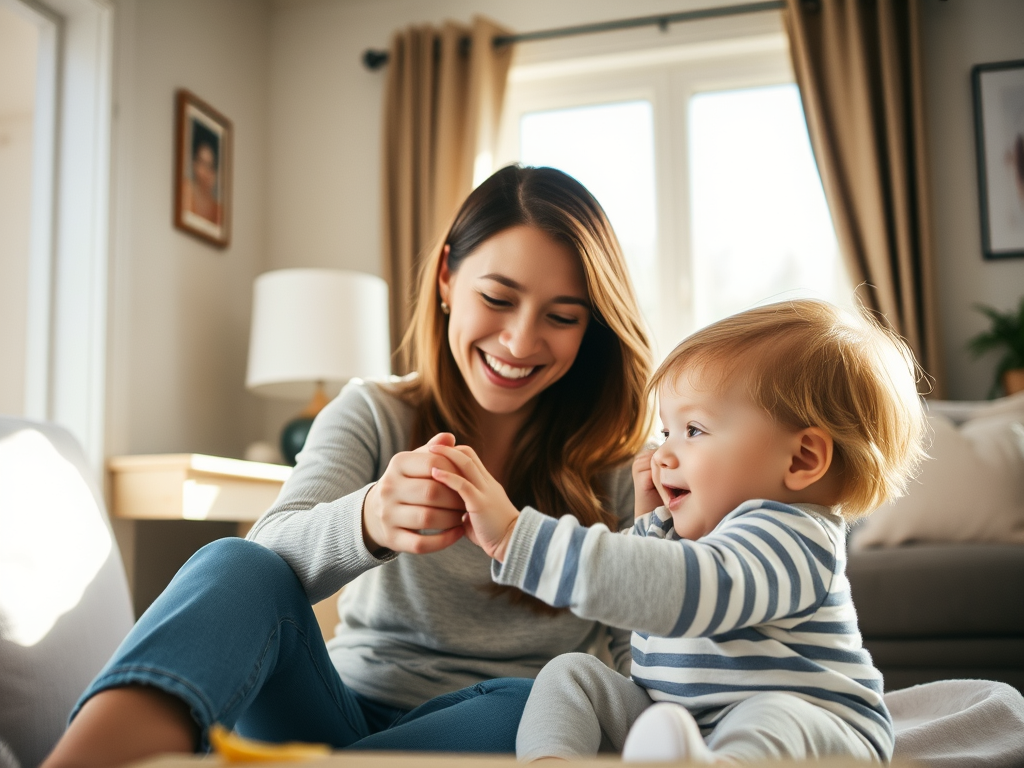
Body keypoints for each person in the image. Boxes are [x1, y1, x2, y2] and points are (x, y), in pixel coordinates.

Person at [41, 165, 653, 768]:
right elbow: (271, 559)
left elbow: (643, 666)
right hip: (332, 711)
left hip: (498, 722)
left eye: (562, 316)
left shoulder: (620, 470)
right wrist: (368, 519)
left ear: (590, 328)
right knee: (236, 560)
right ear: (446, 277)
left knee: (541, 704)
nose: (520, 341)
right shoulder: (372, 412)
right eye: (497, 298)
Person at [428, 299, 927, 764]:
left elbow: (680, 588)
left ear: (801, 458)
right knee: (571, 674)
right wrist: (650, 523)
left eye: (694, 431)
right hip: (686, 725)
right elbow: (639, 597)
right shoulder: (700, 539)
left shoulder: (795, 538)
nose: (662, 454)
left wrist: (518, 537)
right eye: (666, 432)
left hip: (825, 736)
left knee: (772, 716)